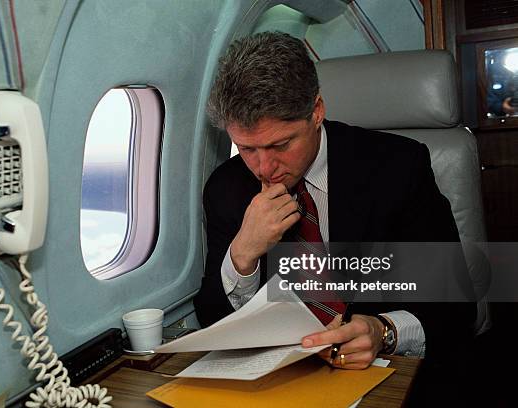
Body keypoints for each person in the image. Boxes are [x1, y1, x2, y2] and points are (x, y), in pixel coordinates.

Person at [193, 31, 476, 388]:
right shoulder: (226, 188)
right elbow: (212, 321)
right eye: (247, 149)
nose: (265, 169)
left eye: (281, 144)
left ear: (316, 111)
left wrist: (384, 330)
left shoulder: (398, 167)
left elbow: (456, 306)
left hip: (389, 374)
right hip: (283, 379)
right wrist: (242, 256)